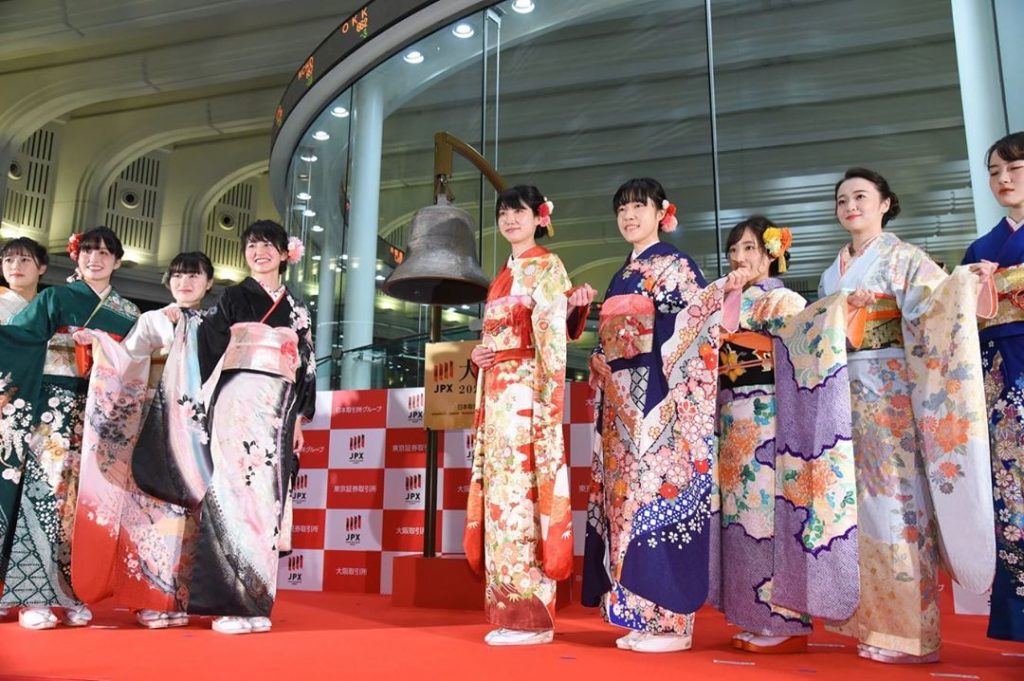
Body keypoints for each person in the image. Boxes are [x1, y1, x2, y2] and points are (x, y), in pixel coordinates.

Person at [817, 167, 993, 663]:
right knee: (859, 509)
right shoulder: (834, 272)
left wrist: (964, 281)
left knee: (898, 507)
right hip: (844, 396)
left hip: (889, 393)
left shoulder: (904, 258)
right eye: (842, 200)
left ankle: (913, 634)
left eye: (861, 197)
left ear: (885, 204)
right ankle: (872, 624)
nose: (851, 206)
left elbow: (940, 306)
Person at [582, 177, 747, 653]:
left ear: (662, 213)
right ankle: (638, 613)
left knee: (656, 500)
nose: (629, 216)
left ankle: (672, 621)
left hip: (658, 403)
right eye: (622, 209)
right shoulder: (621, 274)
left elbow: (693, 322)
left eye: (638, 206)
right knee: (625, 506)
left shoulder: (675, 265)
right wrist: (601, 359)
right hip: (620, 402)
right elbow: (607, 341)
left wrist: (722, 292)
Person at [464, 186, 595, 646]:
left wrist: (570, 305)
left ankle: (533, 615)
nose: (509, 219)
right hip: (498, 391)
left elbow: (553, 326)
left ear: (539, 218)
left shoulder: (547, 264)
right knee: (502, 499)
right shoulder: (503, 274)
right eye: (503, 213)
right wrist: (481, 354)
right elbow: (497, 331)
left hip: (524, 393)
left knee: (523, 496)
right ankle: (506, 608)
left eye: (518, 212)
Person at [0, 226, 140, 629]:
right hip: (54, 407)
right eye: (88, 253)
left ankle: (73, 592)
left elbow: (139, 364)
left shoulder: (128, 313)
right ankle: (31, 596)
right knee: (44, 493)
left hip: (103, 414)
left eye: (104, 253)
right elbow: (19, 338)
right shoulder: (54, 298)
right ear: (76, 259)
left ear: (117, 260)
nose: (95, 259)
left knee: (87, 504)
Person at [71, 252, 215, 629]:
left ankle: (181, 599)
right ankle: (147, 599)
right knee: (148, 508)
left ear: (209, 283)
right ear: (168, 283)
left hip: (193, 423)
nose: (185, 283)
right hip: (152, 417)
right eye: (179, 277)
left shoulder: (218, 324)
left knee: (189, 511)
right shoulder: (152, 320)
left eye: (194, 276)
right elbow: (126, 360)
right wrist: (100, 339)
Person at [190, 219, 315, 634]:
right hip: (235, 403)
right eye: (251, 245)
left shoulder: (297, 309)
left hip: (278, 410)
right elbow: (205, 345)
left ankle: (257, 603)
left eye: (267, 245)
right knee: (230, 493)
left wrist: (300, 417)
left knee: (267, 499)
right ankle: (229, 602)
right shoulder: (232, 297)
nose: (258, 252)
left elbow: (306, 367)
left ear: (285, 254)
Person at [710, 217, 810, 653]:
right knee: (739, 517)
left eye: (749, 249)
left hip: (769, 414)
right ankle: (753, 615)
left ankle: (784, 622)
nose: (739, 258)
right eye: (734, 250)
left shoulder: (785, 300)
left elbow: (802, 358)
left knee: (768, 515)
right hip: (733, 418)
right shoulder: (725, 302)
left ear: (772, 253)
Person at [960, 131, 1024, 643]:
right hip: (1000, 377)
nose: (1004, 180)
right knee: (1012, 499)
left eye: (1015, 169)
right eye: (996, 172)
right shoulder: (981, 248)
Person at [0, 237, 48, 323]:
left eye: (24, 259)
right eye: (9, 260)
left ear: (41, 268)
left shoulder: (49, 307)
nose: (15, 266)